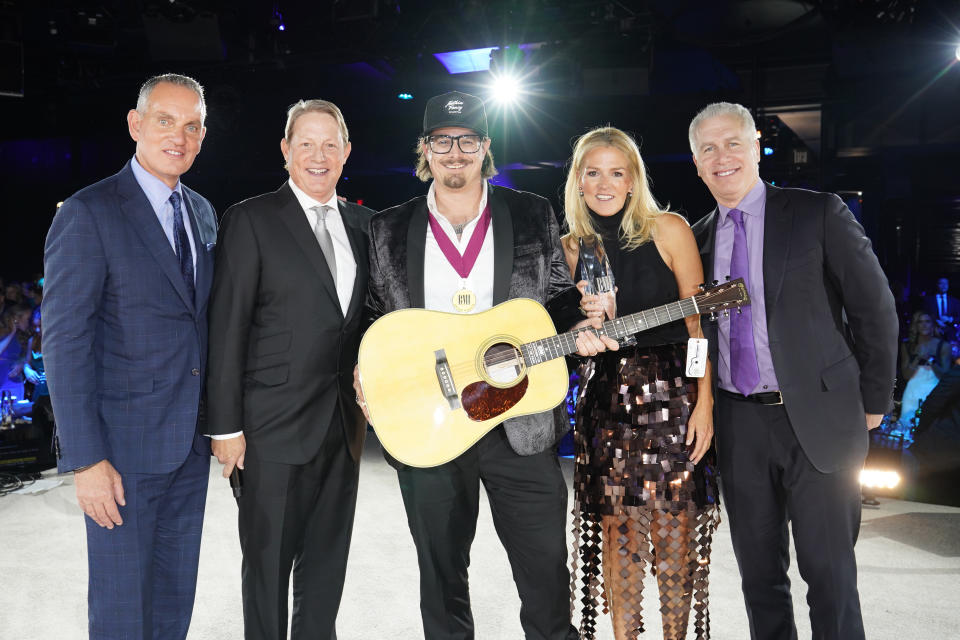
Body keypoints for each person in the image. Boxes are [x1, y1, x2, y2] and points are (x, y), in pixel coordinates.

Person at [360, 90, 616, 640]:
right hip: (430, 425)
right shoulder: (387, 227)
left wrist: (579, 320)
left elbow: (556, 297)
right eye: (442, 142)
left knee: (547, 573)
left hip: (518, 422)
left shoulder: (530, 213)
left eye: (468, 141)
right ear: (424, 149)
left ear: (486, 148)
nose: (456, 153)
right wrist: (368, 375)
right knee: (442, 576)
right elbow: (374, 317)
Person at [688, 102, 898, 640]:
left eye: (732, 142)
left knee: (829, 575)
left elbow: (874, 309)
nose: (722, 157)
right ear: (696, 162)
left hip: (820, 418)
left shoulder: (817, 212)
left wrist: (874, 402)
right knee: (760, 578)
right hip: (739, 427)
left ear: (756, 146)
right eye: (707, 148)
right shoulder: (698, 239)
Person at [43, 73, 216, 639]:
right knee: (121, 611)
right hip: (119, 457)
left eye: (192, 126)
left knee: (172, 603)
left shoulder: (203, 213)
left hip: (188, 448)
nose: (179, 136)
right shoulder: (89, 213)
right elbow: (65, 343)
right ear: (135, 124)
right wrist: (85, 459)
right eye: (165, 121)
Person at [205, 99, 372, 640]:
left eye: (330, 145)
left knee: (327, 571)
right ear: (285, 151)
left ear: (346, 152)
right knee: (268, 570)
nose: (318, 156)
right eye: (306, 143)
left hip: (343, 430)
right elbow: (227, 328)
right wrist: (226, 428)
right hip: (269, 430)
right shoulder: (250, 219)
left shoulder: (367, 225)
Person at [561, 126, 720, 640]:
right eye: (593, 173)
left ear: (633, 181)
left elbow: (698, 323)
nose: (604, 184)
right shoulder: (571, 248)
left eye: (616, 172)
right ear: (578, 181)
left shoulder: (668, 229)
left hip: (673, 394)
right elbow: (573, 331)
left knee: (675, 530)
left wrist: (704, 404)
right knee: (618, 534)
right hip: (605, 400)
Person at [898, 310, 951, 434]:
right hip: (912, 391)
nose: (924, 325)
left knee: (929, 428)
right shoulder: (907, 346)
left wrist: (930, 359)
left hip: (934, 392)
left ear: (933, 324)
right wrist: (917, 358)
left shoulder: (943, 346)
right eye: (920, 322)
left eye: (927, 322)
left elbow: (945, 375)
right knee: (906, 427)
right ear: (915, 326)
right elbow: (906, 375)